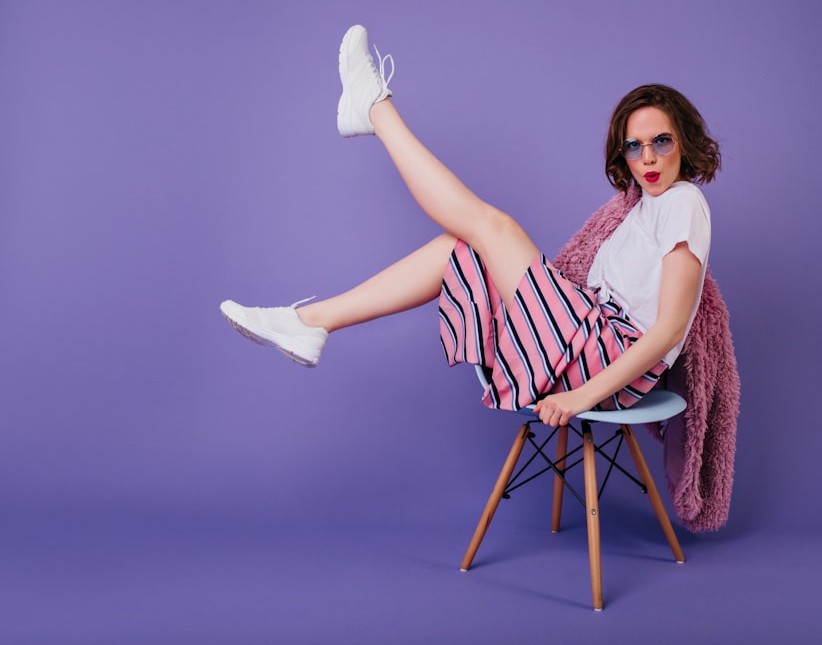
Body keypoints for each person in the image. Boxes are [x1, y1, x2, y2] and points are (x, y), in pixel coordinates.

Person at [221, 24, 720, 428]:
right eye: (635, 146)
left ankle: (375, 108)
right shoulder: (639, 209)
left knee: (492, 226)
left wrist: (580, 397)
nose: (648, 158)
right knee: (456, 247)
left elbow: (669, 329)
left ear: (686, 142)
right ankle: (311, 323)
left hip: (606, 361)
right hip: (590, 338)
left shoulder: (684, 202)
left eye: (662, 141)